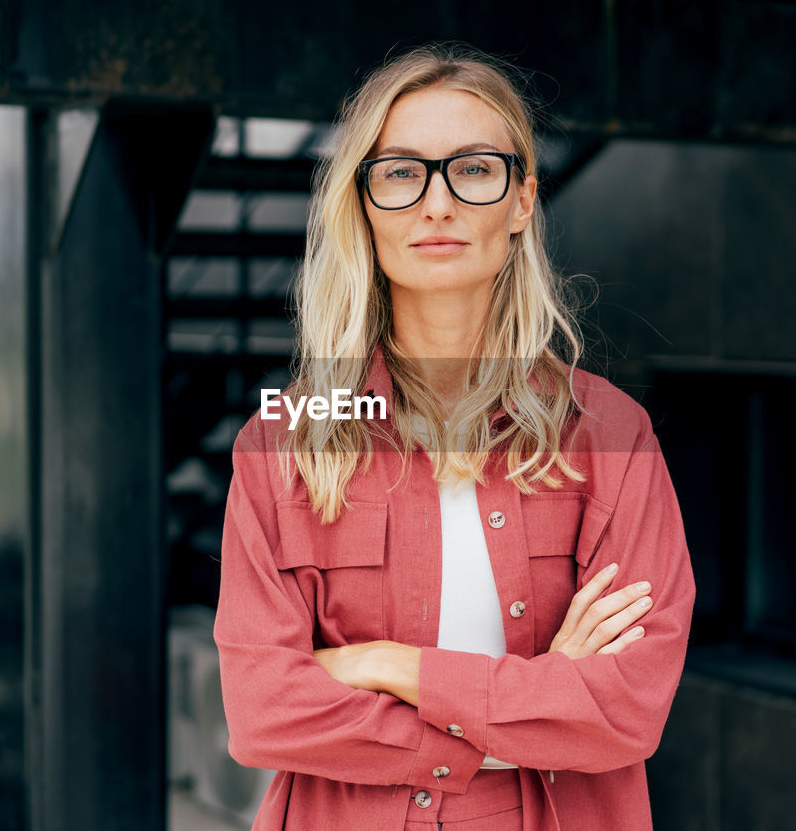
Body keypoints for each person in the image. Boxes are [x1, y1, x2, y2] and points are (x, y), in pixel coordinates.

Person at [214, 42, 695, 831]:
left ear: (521, 201)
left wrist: (384, 666)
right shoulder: (283, 442)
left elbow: (626, 710)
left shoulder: (609, 435)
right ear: (364, 204)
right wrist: (537, 701)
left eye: (473, 169)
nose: (436, 204)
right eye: (402, 172)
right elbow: (264, 713)